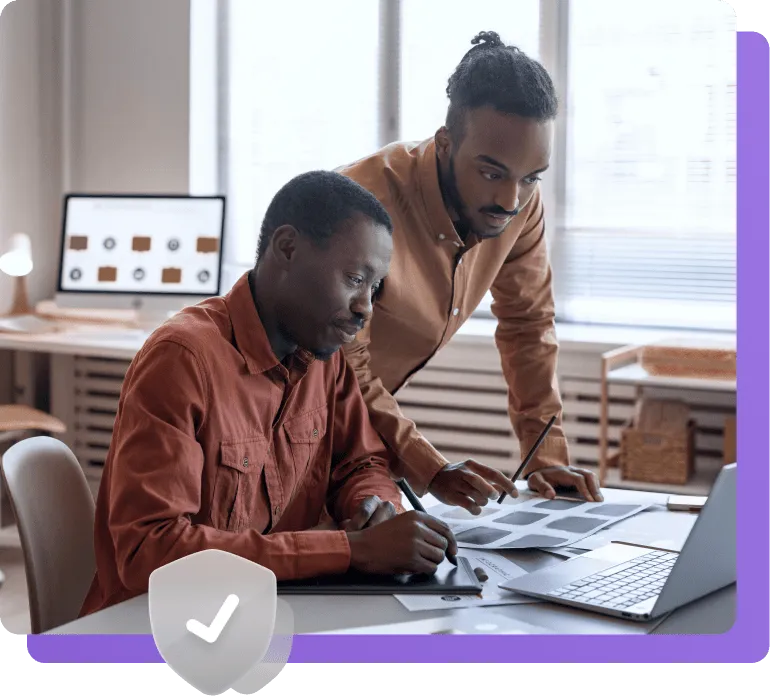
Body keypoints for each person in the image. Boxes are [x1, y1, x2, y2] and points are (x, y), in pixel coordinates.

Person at [79, 171, 457, 616]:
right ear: (288, 248)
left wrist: (374, 509)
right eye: (355, 278)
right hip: (161, 629)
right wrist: (349, 550)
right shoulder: (183, 360)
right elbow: (150, 553)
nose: (366, 307)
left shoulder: (324, 354)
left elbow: (362, 463)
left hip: (261, 616)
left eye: (374, 288)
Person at [338, 30, 603, 514]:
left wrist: (544, 456)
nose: (510, 199)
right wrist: (430, 466)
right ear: (444, 144)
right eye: (491, 172)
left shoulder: (521, 204)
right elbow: (341, 367)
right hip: (274, 424)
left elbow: (528, 326)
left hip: (354, 432)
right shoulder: (360, 205)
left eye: (530, 177)